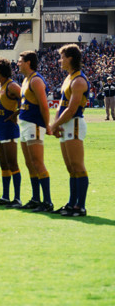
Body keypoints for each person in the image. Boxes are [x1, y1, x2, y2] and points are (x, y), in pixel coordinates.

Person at [50, 44, 89, 217]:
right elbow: (62, 104)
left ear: (70, 58)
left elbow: (72, 109)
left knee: (77, 166)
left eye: (62, 57)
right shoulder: (69, 78)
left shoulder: (79, 80)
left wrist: (54, 124)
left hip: (74, 123)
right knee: (70, 167)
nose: (60, 60)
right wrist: (57, 123)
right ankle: (72, 203)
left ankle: (80, 206)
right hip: (67, 124)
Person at [18, 51, 53, 212]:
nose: (17, 64)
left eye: (20, 61)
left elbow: (44, 105)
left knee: (38, 162)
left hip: (34, 125)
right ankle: (35, 198)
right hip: (25, 125)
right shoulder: (26, 80)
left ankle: (47, 201)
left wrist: (47, 125)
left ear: (28, 62)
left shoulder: (36, 80)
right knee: (29, 163)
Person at [0, 57, 21, 206]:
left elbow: (26, 99)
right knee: (3, 164)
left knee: (12, 163)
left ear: (0, 71)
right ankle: (5, 196)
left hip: (9, 129)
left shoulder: (12, 86)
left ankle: (17, 198)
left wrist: (16, 114)